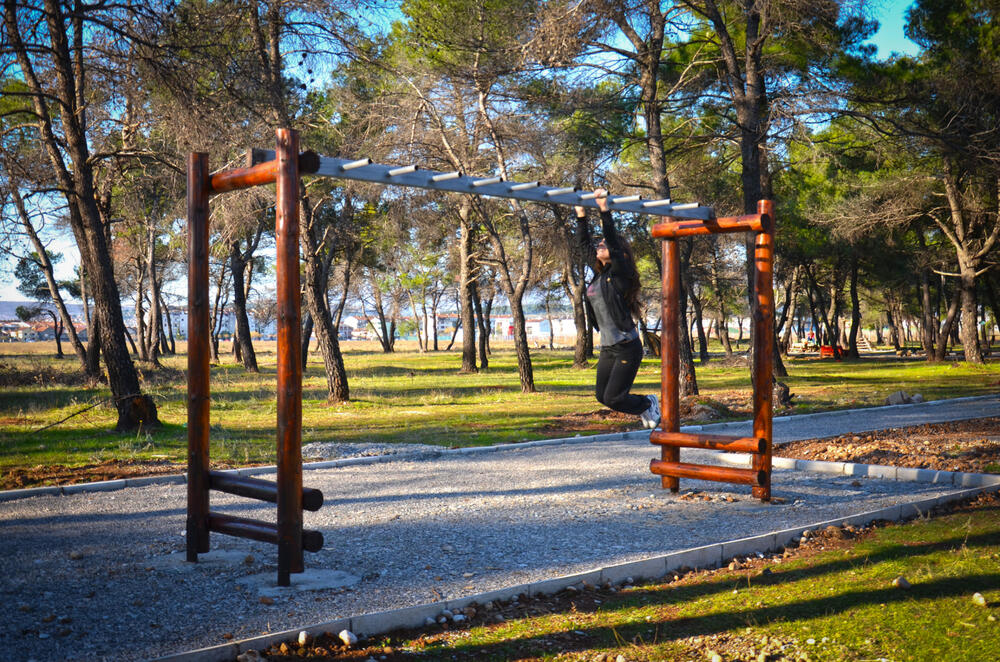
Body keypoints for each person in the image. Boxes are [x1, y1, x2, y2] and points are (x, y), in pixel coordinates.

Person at [576, 189, 660, 429]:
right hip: (608, 347)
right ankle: (645, 406)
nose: (600, 245)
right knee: (602, 397)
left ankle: (646, 403)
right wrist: (581, 215)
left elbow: (611, 239)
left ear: (618, 253)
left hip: (626, 346)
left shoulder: (620, 274)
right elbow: (583, 248)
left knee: (614, 397)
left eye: (604, 244)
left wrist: (604, 209)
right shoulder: (599, 278)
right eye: (599, 245)